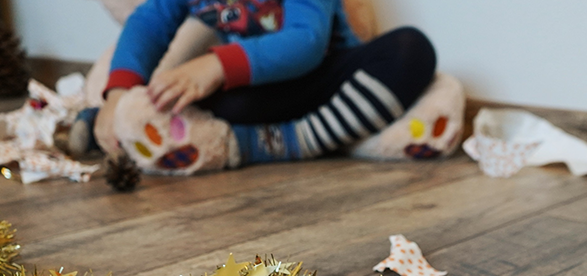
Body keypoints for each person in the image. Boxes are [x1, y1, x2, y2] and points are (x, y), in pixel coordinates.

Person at [78, 0, 437, 166]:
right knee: (203, 101)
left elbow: (306, 42)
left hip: (326, 80)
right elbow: (148, 23)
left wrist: (215, 65)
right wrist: (119, 92)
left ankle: (290, 143)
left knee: (411, 50)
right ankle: (105, 122)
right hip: (261, 91)